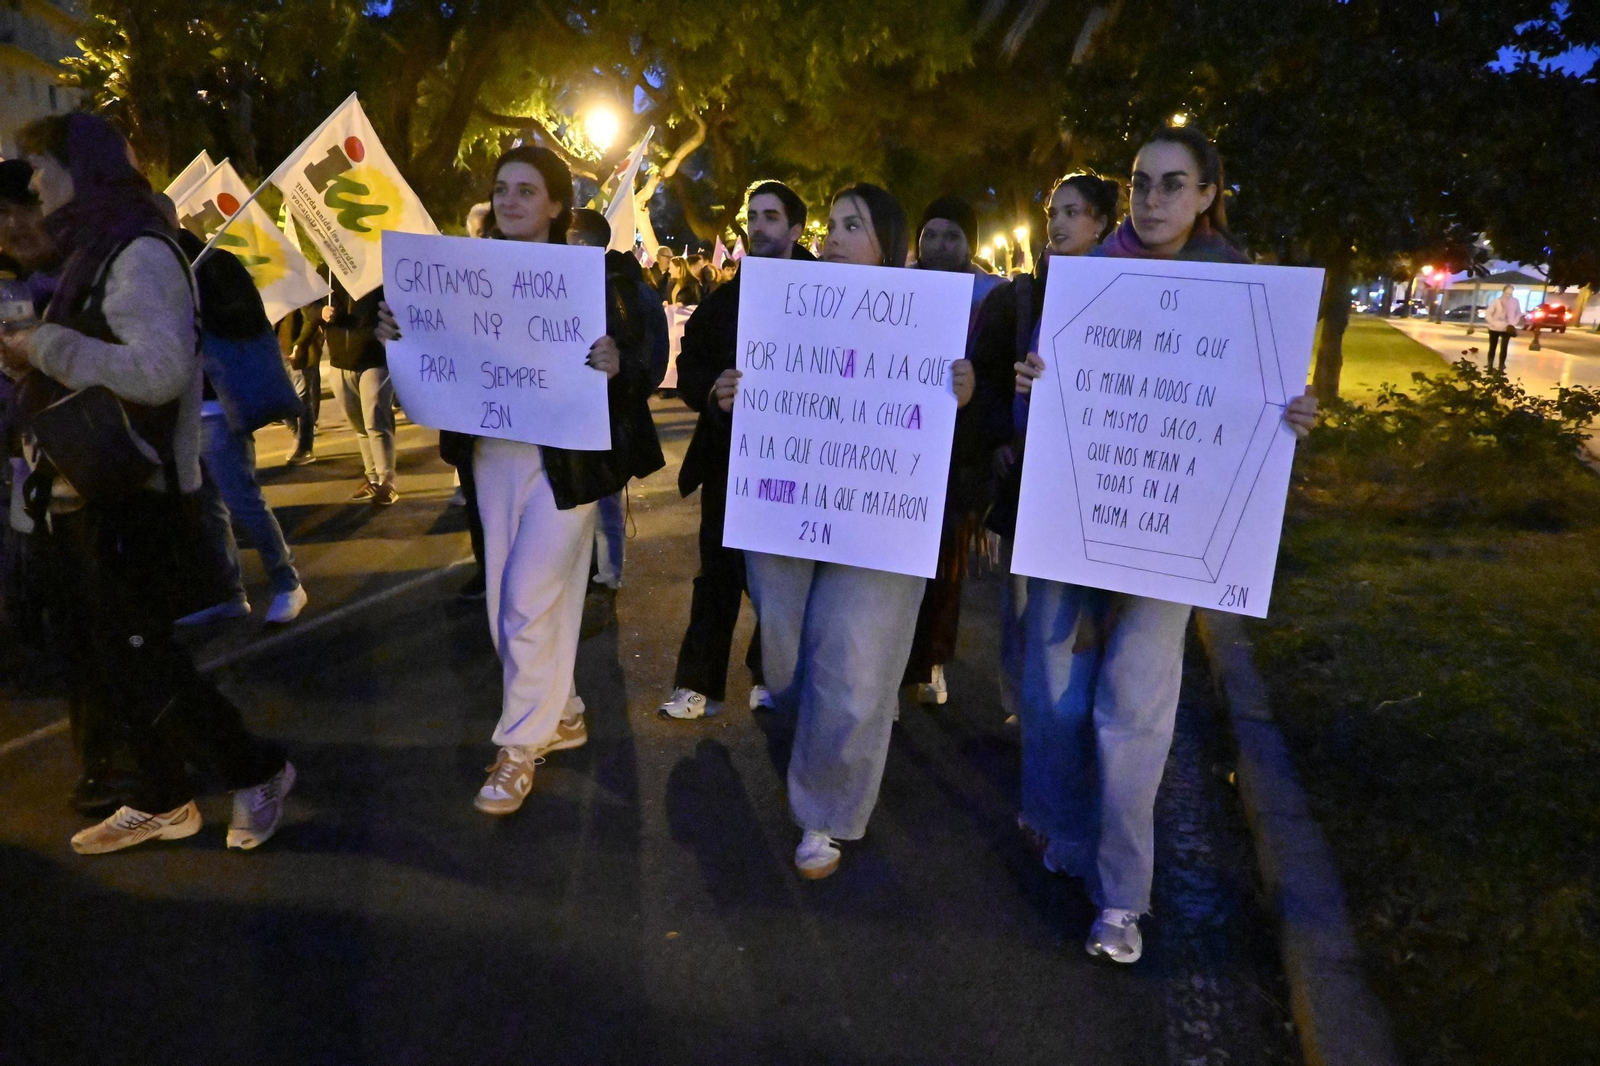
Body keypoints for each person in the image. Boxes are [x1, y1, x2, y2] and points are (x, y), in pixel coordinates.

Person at [1013, 126, 1318, 963]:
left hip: (1169, 530)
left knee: (1136, 708)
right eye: (1142, 183)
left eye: (1173, 185)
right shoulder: (1083, 279)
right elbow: (1049, 394)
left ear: (1209, 194)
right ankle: (1068, 825)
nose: (1152, 201)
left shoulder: (1241, 290)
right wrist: (1034, 379)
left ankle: (1121, 895)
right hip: (1076, 513)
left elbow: (1253, 405)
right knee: (1049, 684)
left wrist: (1290, 416)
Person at [0, 112, 292, 854]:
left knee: (148, 661)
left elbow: (158, 373)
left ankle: (259, 771)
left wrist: (47, 346)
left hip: (133, 491)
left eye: (41, 168)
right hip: (81, 486)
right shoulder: (88, 250)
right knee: (114, 664)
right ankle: (164, 798)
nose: (33, 184)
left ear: (82, 169)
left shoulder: (139, 252)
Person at [376, 146, 663, 816]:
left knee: (526, 596)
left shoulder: (604, 275)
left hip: (573, 463)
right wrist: (395, 328)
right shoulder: (458, 271)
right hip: (492, 457)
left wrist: (622, 361)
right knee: (510, 597)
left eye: (526, 190)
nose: (510, 201)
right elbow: (433, 347)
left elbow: (650, 358)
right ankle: (560, 712)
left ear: (558, 204)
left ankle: (517, 749)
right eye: (502, 189)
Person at [718, 183, 976, 879]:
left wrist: (963, 392)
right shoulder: (781, 306)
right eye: (830, 224)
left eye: (852, 226)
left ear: (888, 246)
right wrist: (731, 394)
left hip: (883, 521)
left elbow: (969, 434)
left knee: (856, 661)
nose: (832, 237)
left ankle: (825, 815)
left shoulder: (933, 325)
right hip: (789, 515)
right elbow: (739, 393)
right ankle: (818, 728)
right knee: (789, 654)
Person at [657, 180, 812, 721]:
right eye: (754, 217)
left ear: (795, 229)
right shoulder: (724, 303)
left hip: (799, 467)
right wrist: (712, 391)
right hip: (730, 459)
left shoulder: (829, 298)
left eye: (772, 217)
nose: (760, 226)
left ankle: (770, 672)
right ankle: (697, 682)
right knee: (718, 570)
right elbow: (691, 368)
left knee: (781, 579)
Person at [971, 172, 1120, 724]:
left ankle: (1070, 711)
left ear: (1102, 222)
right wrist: (996, 441)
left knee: (1078, 611)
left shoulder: (1124, 296)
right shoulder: (1019, 298)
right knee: (1021, 603)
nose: (1056, 223)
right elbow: (984, 380)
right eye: (1053, 211)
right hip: (1025, 477)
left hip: (1095, 480)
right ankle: (1024, 708)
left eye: (1073, 212)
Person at [168, 216, 308, 627]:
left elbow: (243, 318)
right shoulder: (155, 273)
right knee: (207, 507)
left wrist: (196, 292)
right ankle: (229, 593)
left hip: (218, 408)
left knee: (243, 502)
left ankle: (287, 583)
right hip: (182, 412)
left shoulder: (215, 267)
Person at [901, 195, 1006, 707]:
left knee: (945, 567)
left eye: (951, 236)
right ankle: (890, 664)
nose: (939, 246)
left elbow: (1005, 379)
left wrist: (974, 396)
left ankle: (929, 664)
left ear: (971, 244)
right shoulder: (893, 290)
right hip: (899, 448)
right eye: (930, 235)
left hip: (960, 457)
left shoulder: (995, 298)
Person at [565, 207, 671, 636]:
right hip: (567, 413)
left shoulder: (625, 287)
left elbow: (653, 357)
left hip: (611, 414)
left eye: (570, 237)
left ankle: (606, 583)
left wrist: (620, 371)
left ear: (588, 242)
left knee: (606, 499)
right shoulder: (559, 281)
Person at [323, 280, 399, 505]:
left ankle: (387, 482)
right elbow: (309, 305)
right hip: (339, 361)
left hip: (375, 358)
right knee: (358, 423)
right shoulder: (326, 270)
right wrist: (320, 311)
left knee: (376, 418)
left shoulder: (377, 274)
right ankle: (373, 477)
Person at [281, 299, 324, 466]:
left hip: (297, 349)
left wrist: (300, 345)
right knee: (277, 397)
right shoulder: (265, 287)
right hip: (275, 348)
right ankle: (297, 432)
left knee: (301, 397)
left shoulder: (297, 284)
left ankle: (304, 446)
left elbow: (312, 318)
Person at [1485, 284, 1521, 370]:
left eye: (1510, 294)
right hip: (1494, 327)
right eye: (1506, 293)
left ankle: (1501, 366)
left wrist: (1513, 322)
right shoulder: (1496, 301)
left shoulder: (1515, 301)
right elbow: (1488, 313)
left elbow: (1518, 312)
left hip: (1507, 328)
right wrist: (1492, 322)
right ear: (1503, 292)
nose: (1508, 296)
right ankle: (1490, 365)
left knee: (1504, 348)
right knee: (1492, 347)